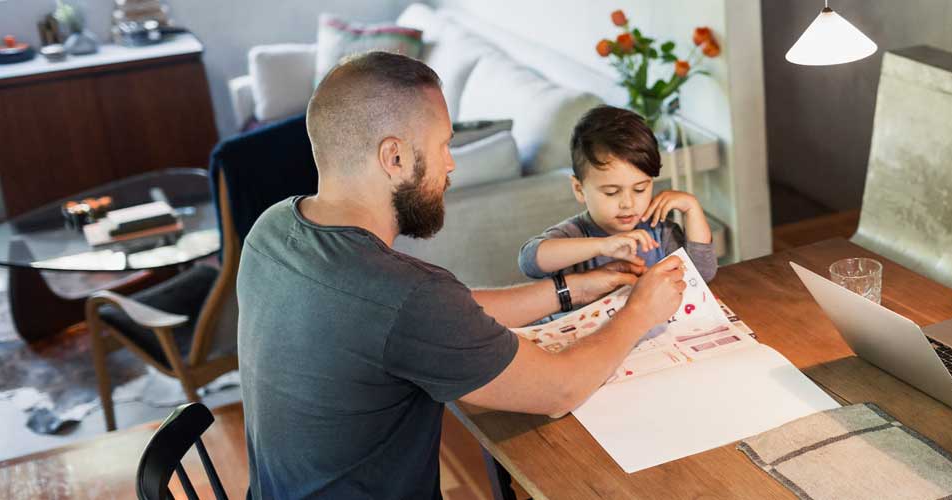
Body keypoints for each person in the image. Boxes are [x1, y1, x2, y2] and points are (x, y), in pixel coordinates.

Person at [236, 52, 686, 499]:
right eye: (443, 145)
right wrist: (640, 311)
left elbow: (440, 311)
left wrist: (568, 289)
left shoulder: (272, 228)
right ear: (394, 156)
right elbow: (560, 390)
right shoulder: (406, 295)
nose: (451, 164)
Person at [518, 106, 718, 284]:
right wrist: (602, 246)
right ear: (579, 189)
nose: (628, 203)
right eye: (611, 192)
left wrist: (692, 208)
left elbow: (701, 274)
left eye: (640, 189)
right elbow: (529, 261)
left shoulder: (659, 231)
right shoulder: (574, 235)